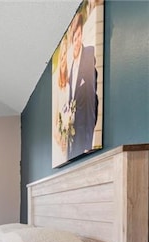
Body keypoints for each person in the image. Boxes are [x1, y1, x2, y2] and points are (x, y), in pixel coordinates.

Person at [68, 12, 98, 159]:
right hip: (73, 138)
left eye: (79, 35)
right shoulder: (71, 68)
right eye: (75, 38)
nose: (77, 40)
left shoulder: (89, 53)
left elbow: (93, 100)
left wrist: (88, 143)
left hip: (84, 139)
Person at [52, 36, 72, 166]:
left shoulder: (72, 82)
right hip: (61, 145)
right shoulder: (56, 86)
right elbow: (55, 124)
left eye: (66, 53)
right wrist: (61, 139)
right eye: (63, 54)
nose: (64, 57)